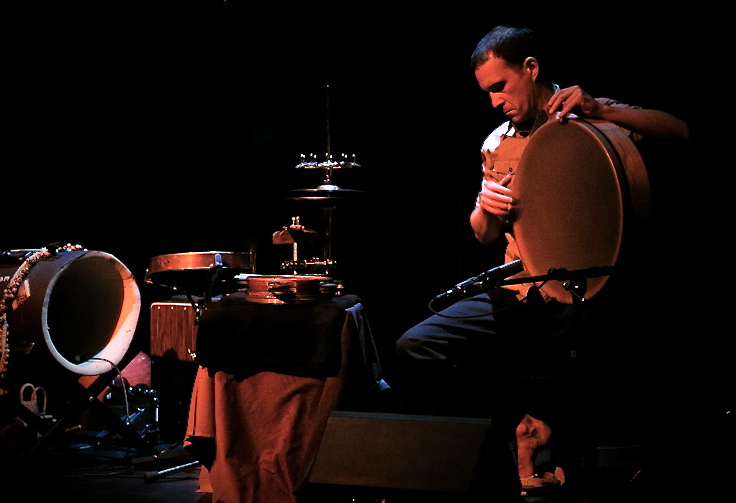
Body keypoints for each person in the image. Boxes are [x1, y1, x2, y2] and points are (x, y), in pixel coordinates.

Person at [391, 25, 689, 499]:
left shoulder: (587, 117)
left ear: (530, 68)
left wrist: (603, 109)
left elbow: (680, 132)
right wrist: (484, 209)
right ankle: (520, 424)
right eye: (487, 92)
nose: (494, 101)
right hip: (517, 288)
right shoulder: (496, 142)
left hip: (582, 292)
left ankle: (559, 442)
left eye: (500, 86)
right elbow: (484, 235)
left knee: (587, 346)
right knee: (416, 345)